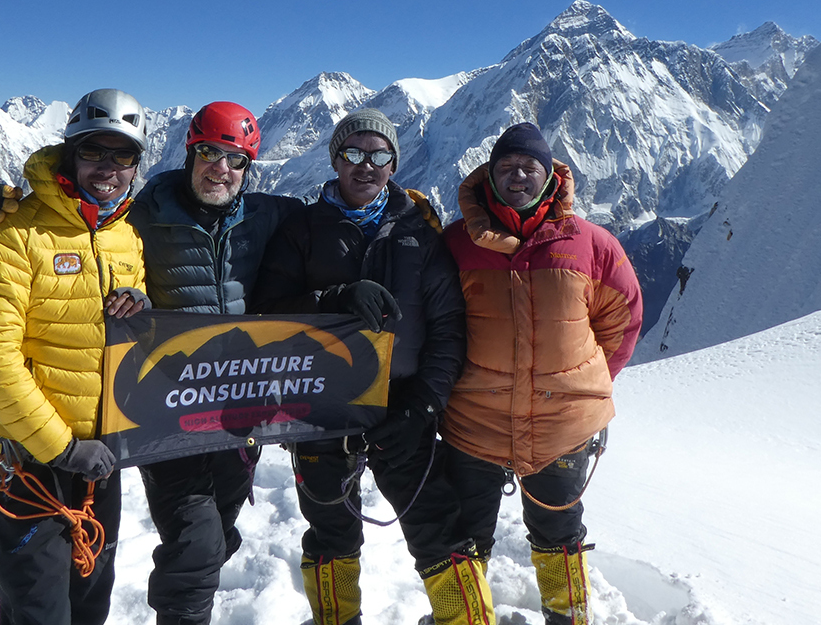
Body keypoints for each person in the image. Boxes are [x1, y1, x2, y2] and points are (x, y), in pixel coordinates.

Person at [253, 108, 480, 625]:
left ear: (394, 164)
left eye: (379, 155)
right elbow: (267, 313)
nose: (365, 165)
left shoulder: (421, 236)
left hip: (401, 404)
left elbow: (448, 330)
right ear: (335, 159)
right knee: (331, 532)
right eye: (353, 153)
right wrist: (335, 297)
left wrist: (423, 406)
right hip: (319, 403)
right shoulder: (303, 230)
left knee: (436, 527)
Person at [440, 122, 643, 625]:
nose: (517, 176)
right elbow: (433, 323)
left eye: (528, 167)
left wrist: (584, 387)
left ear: (550, 174)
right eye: (506, 166)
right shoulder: (454, 244)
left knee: (560, 533)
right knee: (462, 536)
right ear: (489, 174)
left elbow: (623, 320)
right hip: (475, 421)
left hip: (562, 425)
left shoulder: (593, 244)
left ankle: (568, 618)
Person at [0, 88, 151, 625]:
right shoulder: (9, 234)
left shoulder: (125, 237)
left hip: (102, 459)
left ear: (138, 163)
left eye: (124, 155)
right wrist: (64, 448)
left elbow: (123, 341)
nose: (109, 168)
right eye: (95, 151)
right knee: (39, 612)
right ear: (69, 153)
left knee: (91, 605)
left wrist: (143, 306)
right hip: (29, 463)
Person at [120, 102, 302, 625]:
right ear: (189, 152)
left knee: (217, 533)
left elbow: (336, 223)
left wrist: (410, 209)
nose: (220, 169)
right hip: (165, 407)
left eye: (235, 159)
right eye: (208, 153)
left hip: (239, 412)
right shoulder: (144, 213)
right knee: (196, 541)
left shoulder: (267, 216)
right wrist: (12, 205)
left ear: (249, 168)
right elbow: (82, 233)